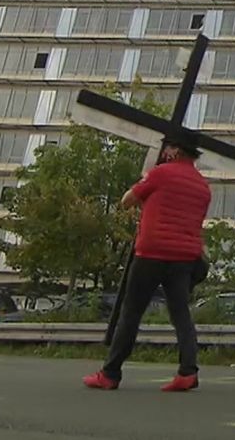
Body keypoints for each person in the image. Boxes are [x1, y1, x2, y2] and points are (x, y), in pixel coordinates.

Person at [82, 129, 211, 392]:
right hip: (185, 256)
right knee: (181, 314)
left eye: (167, 149)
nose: (164, 153)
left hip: (152, 253)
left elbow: (127, 201)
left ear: (175, 151)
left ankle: (110, 373)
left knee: (131, 313)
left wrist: (143, 181)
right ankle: (188, 371)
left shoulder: (160, 173)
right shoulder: (202, 186)